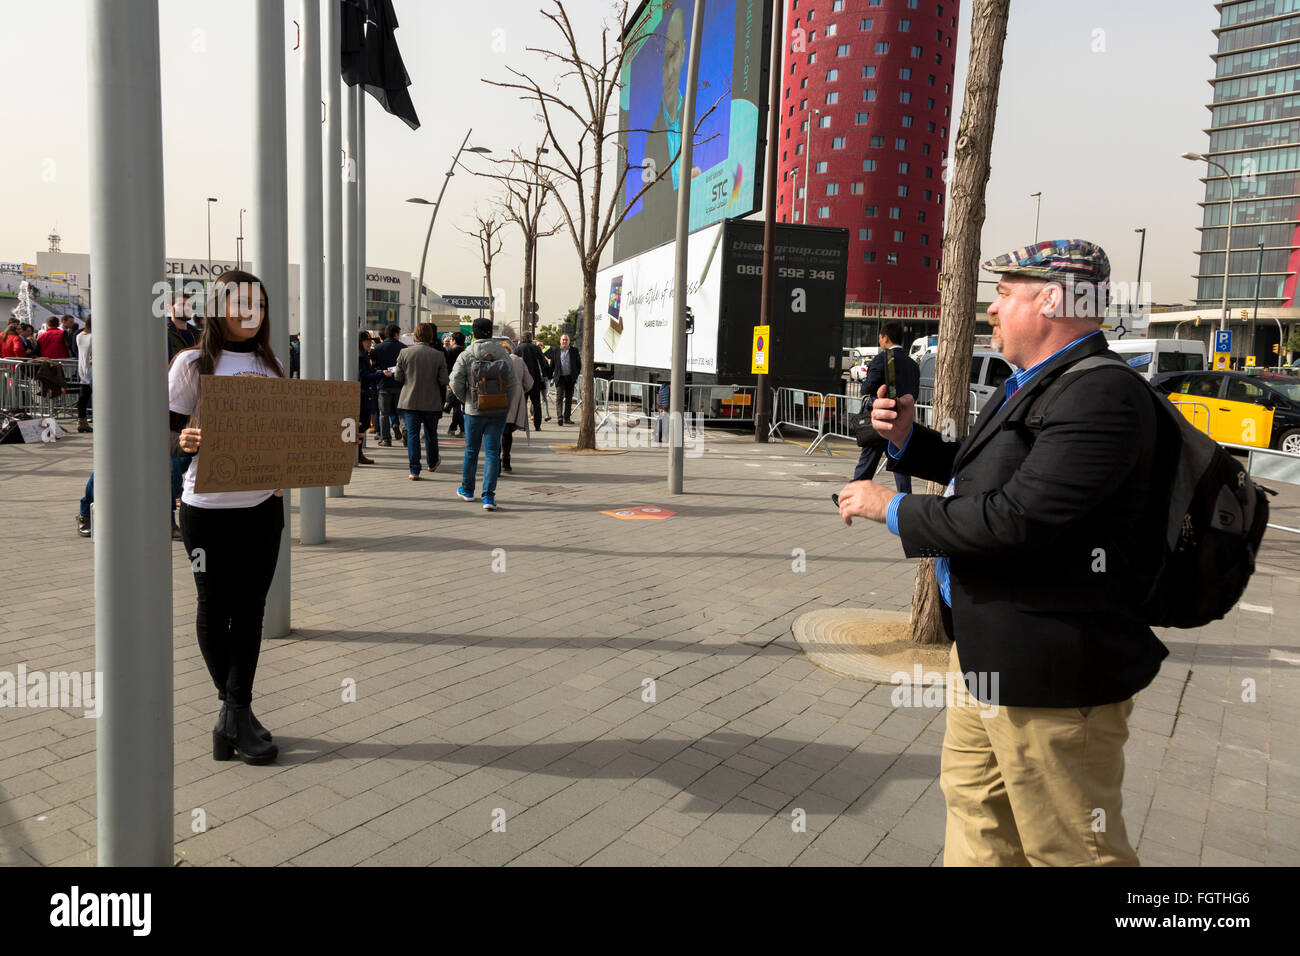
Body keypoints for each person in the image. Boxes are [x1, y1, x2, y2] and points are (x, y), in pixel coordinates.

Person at [837, 239, 1168, 867]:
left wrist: (893, 507)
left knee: (1071, 848)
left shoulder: (1101, 393)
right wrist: (910, 439)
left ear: (1051, 301)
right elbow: (982, 474)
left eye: (1005, 293)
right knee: (977, 817)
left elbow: (1022, 518)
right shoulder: (1035, 384)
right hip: (988, 655)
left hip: (1054, 674)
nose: (992, 308)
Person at [169, 268, 285, 765]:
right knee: (215, 609)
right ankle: (237, 713)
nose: (249, 313)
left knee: (252, 611)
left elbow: (286, 430)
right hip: (208, 510)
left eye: (257, 304)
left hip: (263, 508)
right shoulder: (192, 363)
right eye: (239, 304)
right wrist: (183, 440)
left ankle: (233, 717)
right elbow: (165, 431)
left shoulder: (274, 363)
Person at [450, 317, 518, 510]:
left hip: (474, 411)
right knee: (492, 454)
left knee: (471, 451)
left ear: (473, 333)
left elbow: (454, 380)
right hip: (498, 410)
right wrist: (505, 402)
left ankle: (468, 490)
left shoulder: (467, 353)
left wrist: (466, 399)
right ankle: (488, 497)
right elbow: (513, 383)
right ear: (491, 333)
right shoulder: (503, 354)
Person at [851, 322, 919, 492]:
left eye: (880, 338)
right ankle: (905, 499)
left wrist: (867, 389)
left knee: (868, 458)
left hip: (881, 417)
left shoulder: (883, 358)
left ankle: (853, 495)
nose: (879, 341)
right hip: (902, 421)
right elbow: (914, 393)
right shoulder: (912, 364)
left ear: (885, 337)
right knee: (900, 463)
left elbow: (868, 387)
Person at [391, 322, 449, 479]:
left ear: (415, 336)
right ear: (431, 337)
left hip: (410, 400)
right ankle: (432, 462)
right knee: (431, 433)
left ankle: (414, 470)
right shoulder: (438, 355)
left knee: (412, 435)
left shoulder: (404, 353)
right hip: (431, 401)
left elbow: (398, 377)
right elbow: (444, 380)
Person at [499, 341, 534, 473]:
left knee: (497, 430)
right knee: (507, 430)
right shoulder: (519, 361)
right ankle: (506, 460)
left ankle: (495, 462)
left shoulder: (495, 360)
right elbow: (529, 382)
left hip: (496, 398)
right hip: (514, 398)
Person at [369, 324, 406, 446]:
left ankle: (386, 439)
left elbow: (373, 367)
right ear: (396, 334)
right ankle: (406, 435)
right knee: (401, 412)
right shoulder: (404, 348)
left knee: (384, 413)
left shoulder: (377, 348)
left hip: (383, 383)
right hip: (399, 384)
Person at [356, 330, 384, 465]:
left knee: (364, 424)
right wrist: (380, 374)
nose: (369, 343)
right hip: (363, 395)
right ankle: (358, 454)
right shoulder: (360, 357)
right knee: (362, 425)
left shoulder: (365, 356)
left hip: (366, 394)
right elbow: (364, 377)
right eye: (366, 341)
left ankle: (358, 453)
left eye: (369, 341)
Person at [517, 332, 548, 431]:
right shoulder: (536, 348)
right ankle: (537, 425)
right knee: (536, 403)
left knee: (523, 403)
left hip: (522, 380)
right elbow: (543, 363)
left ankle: (521, 425)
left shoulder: (518, 349)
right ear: (531, 338)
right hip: (535, 379)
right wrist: (545, 374)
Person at [547, 333, 581, 425]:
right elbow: (552, 365)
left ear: (569, 341)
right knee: (559, 397)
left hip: (570, 378)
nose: (565, 341)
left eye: (566, 340)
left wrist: (576, 374)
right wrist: (550, 376)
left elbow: (579, 364)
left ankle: (567, 418)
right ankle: (559, 417)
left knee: (569, 399)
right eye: (563, 340)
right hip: (560, 377)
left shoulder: (574, 350)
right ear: (560, 341)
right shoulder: (556, 351)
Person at [444, 331, 466, 437]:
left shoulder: (450, 352)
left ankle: (462, 430)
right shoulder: (465, 352)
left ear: (454, 341)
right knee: (457, 405)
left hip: (452, 381)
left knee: (456, 406)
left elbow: (447, 367)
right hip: (463, 382)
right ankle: (454, 428)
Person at [166, 292, 197, 360]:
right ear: (169, 308)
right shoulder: (165, 334)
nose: (187, 308)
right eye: (182, 305)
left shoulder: (198, 334)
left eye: (189, 305)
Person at [75, 318, 92, 433]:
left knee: (83, 397)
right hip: (94, 369)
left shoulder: (79, 335)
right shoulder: (95, 336)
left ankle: (81, 420)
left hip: (83, 368)